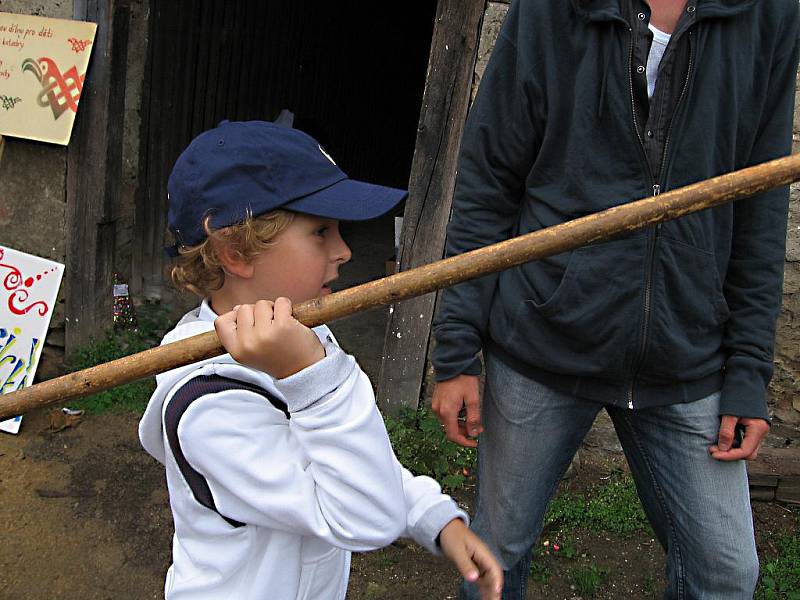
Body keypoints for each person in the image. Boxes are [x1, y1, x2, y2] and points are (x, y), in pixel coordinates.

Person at [430, 0, 800, 598]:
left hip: (686, 351)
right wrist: (457, 349)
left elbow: (762, 205)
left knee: (726, 573)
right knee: (496, 556)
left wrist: (749, 371)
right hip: (543, 340)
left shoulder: (768, 13)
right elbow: (489, 174)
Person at [138, 120, 503, 599]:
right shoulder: (209, 406)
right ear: (235, 251)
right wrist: (315, 380)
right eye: (320, 232)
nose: (345, 251)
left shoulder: (295, 333)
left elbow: (345, 456)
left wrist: (430, 516)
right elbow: (364, 517)